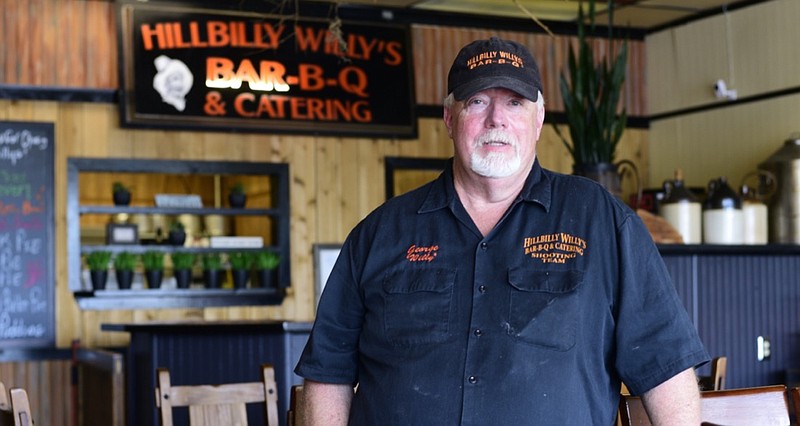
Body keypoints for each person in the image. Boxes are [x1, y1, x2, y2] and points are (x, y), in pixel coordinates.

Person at [295, 36, 709, 425]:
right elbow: (328, 371)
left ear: (539, 119)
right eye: (476, 101)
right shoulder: (380, 234)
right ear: (449, 118)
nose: (497, 119)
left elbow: (664, 367)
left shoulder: (602, 222)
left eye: (515, 102)